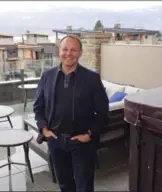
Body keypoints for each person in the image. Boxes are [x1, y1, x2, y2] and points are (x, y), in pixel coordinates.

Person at [33, 35, 109, 192]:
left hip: (82, 144)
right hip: (56, 141)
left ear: (80, 52)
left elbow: (102, 112)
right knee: (65, 185)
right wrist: (44, 129)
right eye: (65, 49)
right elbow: (38, 107)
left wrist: (89, 134)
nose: (69, 53)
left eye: (73, 50)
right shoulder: (47, 76)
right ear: (59, 51)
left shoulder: (92, 78)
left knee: (84, 186)